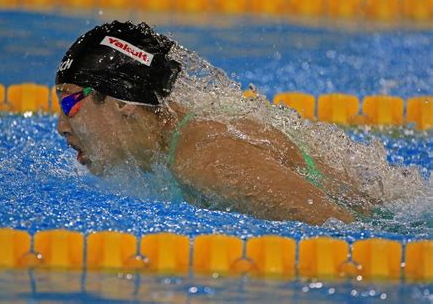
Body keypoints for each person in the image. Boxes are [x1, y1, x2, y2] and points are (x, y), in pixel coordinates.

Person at [55, 20, 422, 225]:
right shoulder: (178, 142)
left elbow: (341, 229)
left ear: (124, 103)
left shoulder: (205, 159)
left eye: (70, 102)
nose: (61, 126)